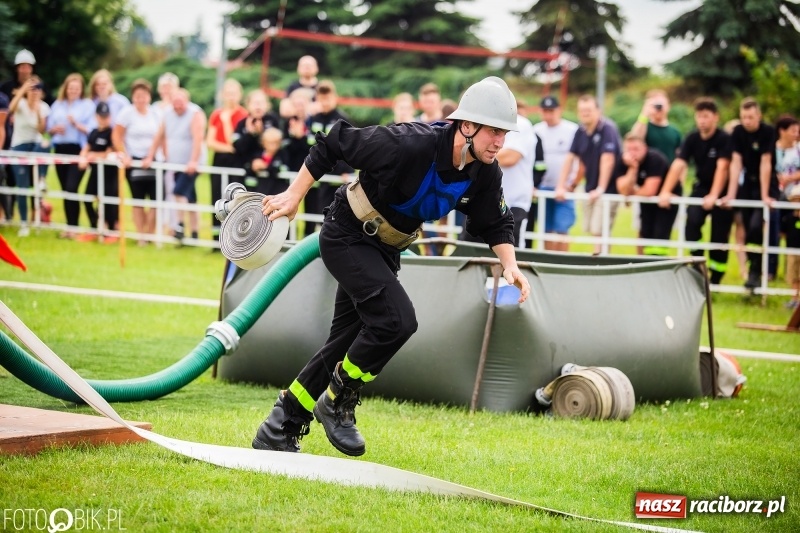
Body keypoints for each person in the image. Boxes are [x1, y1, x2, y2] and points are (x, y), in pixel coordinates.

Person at [252, 76, 531, 456]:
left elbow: (496, 222)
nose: (500, 142)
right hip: (347, 233)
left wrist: (511, 265)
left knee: (344, 345)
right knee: (397, 321)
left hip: (386, 248)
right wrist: (293, 195)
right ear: (466, 125)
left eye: (505, 134)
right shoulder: (408, 143)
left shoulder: (485, 171)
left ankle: (280, 426)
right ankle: (336, 399)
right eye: (494, 132)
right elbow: (334, 139)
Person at [659, 98, 733, 284]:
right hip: (700, 188)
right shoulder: (692, 138)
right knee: (692, 222)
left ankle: (715, 279)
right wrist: (665, 191)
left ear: (716, 118)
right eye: (699, 116)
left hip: (722, 193)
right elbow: (679, 164)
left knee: (719, 236)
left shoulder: (724, 139)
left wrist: (714, 195)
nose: (702, 121)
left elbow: (722, 167)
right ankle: (698, 264)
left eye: (706, 116)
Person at [723, 98, 779, 291]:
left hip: (766, 183)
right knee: (746, 228)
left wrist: (764, 195)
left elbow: (766, 162)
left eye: (751, 117)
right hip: (746, 185)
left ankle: (756, 269)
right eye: (744, 117)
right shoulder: (738, 133)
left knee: (757, 226)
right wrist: (731, 194)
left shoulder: (768, 132)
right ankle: (752, 268)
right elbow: (736, 163)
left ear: (759, 116)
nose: (747, 121)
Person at [555, 94, 621, 255]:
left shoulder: (607, 129)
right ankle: (599, 262)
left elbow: (608, 160)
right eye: (582, 110)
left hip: (609, 189)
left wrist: (601, 188)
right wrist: (561, 186)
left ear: (598, 111)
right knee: (591, 229)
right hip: (590, 187)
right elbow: (570, 158)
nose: (585, 113)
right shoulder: (581, 131)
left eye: (589, 110)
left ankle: (600, 266)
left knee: (599, 230)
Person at [463, 103, 535, 246]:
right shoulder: (481, 122)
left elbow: (511, 157)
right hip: (481, 199)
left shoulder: (522, 124)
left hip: (513, 203)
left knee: (509, 255)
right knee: (468, 252)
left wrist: (476, 154)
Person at [113, 78, 162, 246]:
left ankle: (150, 233)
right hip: (133, 161)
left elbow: (160, 136)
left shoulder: (155, 113)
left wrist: (151, 155)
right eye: (137, 96)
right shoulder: (127, 113)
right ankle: (141, 235)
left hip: (153, 161)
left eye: (144, 95)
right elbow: (117, 135)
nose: (141, 99)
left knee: (155, 200)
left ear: (149, 96)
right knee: (138, 199)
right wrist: (124, 154)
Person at [154, 88, 207, 243]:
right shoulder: (167, 114)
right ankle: (195, 233)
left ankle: (180, 227)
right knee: (190, 198)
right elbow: (160, 135)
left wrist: (194, 160)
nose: (177, 106)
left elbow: (198, 138)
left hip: (191, 164)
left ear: (187, 101)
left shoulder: (195, 113)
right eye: (175, 103)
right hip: (176, 163)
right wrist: (153, 154)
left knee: (178, 192)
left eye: (180, 102)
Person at [47, 72, 95, 238]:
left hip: (78, 150)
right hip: (61, 148)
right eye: (71, 87)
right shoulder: (58, 105)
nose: (73, 90)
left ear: (81, 89)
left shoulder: (87, 105)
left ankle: (74, 227)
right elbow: (48, 128)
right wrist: (54, 130)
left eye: (77, 88)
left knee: (72, 187)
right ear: (66, 88)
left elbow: (92, 129)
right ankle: (69, 226)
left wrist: (76, 124)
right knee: (65, 190)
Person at [303, 80, 353, 236]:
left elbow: (350, 147)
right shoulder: (312, 119)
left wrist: (347, 171)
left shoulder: (342, 120)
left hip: (334, 181)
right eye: (321, 98)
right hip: (316, 178)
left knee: (332, 220)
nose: (324, 102)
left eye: (328, 98)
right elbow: (308, 146)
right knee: (312, 220)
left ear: (335, 97)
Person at [532, 95, 578, 251]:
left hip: (564, 188)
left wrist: (572, 183)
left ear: (559, 110)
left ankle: (561, 263)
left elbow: (577, 159)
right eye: (545, 111)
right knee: (546, 229)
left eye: (551, 111)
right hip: (542, 187)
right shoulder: (536, 130)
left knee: (562, 228)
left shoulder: (572, 129)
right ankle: (548, 262)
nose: (548, 115)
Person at [615, 133, 673, 256]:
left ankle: (657, 267)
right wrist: (632, 169)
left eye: (636, 149)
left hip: (666, 201)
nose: (632, 153)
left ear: (645, 148)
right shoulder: (623, 161)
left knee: (659, 236)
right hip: (646, 202)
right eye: (629, 149)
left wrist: (631, 194)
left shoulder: (655, 159)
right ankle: (644, 266)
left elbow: (649, 191)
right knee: (644, 234)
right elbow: (623, 190)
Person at [206, 78, 248, 243]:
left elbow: (234, 142)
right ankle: (216, 237)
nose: (230, 97)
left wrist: (226, 122)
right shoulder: (216, 114)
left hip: (236, 161)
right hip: (220, 159)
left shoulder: (243, 114)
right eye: (227, 93)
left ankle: (234, 237)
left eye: (234, 93)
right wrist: (226, 147)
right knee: (216, 195)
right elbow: (210, 142)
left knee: (235, 197)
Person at [8, 76, 50, 236]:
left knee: (45, 144)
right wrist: (23, 90)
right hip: (19, 145)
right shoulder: (21, 104)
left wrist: (38, 110)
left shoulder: (44, 107)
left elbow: (42, 131)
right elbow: (10, 108)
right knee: (22, 187)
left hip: (35, 145)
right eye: (32, 89)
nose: (34, 92)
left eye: (37, 88)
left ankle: (41, 179)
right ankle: (24, 223)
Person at [76, 101, 115, 242]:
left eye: (106, 116)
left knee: (108, 202)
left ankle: (111, 231)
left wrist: (93, 156)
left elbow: (109, 151)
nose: (103, 119)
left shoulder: (112, 132)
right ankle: (94, 226)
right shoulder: (93, 132)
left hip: (109, 173)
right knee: (87, 198)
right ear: (96, 116)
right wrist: (83, 157)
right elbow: (86, 147)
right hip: (95, 172)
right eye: (101, 116)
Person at [774, 115, 800, 308]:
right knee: (792, 250)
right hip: (790, 207)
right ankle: (795, 296)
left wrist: (790, 178)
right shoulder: (790, 152)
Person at [631, 89, 682, 164]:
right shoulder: (644, 127)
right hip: (648, 173)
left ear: (668, 105)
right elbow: (634, 140)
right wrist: (644, 114)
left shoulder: (675, 131)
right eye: (655, 105)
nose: (659, 108)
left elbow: (680, 157)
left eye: (661, 104)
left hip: (670, 174)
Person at [246, 127, 289, 196]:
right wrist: (252, 166)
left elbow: (280, 169)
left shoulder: (282, 155)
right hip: (259, 191)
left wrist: (265, 166)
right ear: (263, 142)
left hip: (277, 192)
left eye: (276, 142)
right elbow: (248, 168)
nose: (273, 145)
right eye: (270, 142)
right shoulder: (258, 155)